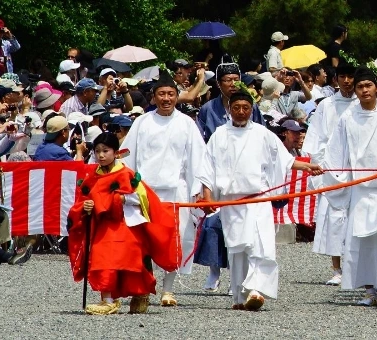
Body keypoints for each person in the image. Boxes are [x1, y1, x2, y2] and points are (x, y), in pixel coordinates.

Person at [198, 86, 323, 311]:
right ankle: (239, 296)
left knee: (260, 244)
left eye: (246, 108)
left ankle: (256, 290)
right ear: (229, 109)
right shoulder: (219, 136)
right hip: (231, 202)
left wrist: (307, 167)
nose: (241, 112)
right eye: (236, 107)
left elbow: (283, 159)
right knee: (237, 250)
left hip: (259, 199)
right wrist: (207, 197)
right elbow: (208, 169)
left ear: (251, 109)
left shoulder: (262, 133)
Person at [120, 70, 209, 306]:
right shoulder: (142, 122)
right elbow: (128, 156)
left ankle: (168, 289)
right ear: (154, 96)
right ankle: (144, 287)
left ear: (177, 96)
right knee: (144, 241)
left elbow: (198, 159)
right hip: (145, 192)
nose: (166, 99)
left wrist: (200, 190)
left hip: (176, 190)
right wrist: (127, 186)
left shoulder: (186, 124)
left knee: (175, 239)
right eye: (162, 94)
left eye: (171, 94)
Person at [67, 132, 181, 315]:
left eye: (106, 151)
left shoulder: (127, 174)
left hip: (126, 225)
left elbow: (142, 198)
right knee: (101, 261)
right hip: (102, 227)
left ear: (116, 152)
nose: (101, 155)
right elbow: (81, 201)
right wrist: (85, 207)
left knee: (132, 262)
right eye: (97, 151)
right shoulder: (91, 177)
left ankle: (140, 294)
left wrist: (117, 200)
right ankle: (108, 300)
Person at [325, 66, 377, 306]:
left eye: (368, 85)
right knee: (360, 240)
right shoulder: (348, 117)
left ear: (376, 86)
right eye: (360, 87)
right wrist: (337, 178)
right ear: (355, 90)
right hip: (359, 186)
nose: (365, 90)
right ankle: (370, 290)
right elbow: (336, 151)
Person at [305, 61, 358, 285]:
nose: (346, 81)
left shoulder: (361, 104)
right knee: (334, 217)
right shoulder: (327, 105)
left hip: (357, 166)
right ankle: (336, 268)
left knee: (356, 217)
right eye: (342, 76)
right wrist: (318, 165)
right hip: (332, 165)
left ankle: (356, 266)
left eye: (350, 77)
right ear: (336, 79)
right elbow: (316, 135)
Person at [197, 60, 264, 141]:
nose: (233, 84)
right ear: (218, 84)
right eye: (228, 80)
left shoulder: (251, 105)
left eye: (236, 80)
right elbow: (199, 138)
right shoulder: (208, 109)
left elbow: (262, 132)